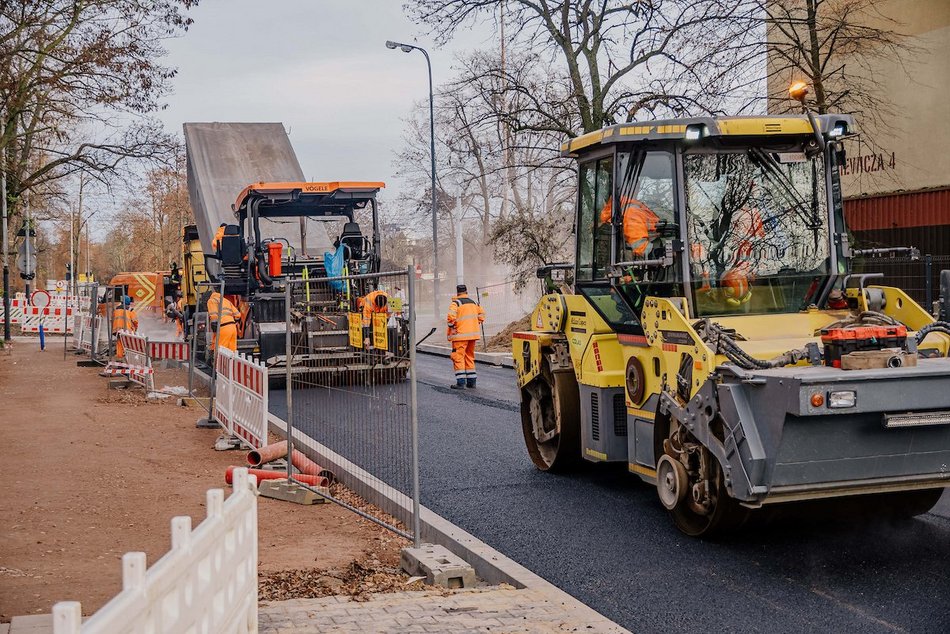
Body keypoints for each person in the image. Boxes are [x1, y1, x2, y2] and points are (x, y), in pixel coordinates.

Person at [446, 284, 485, 389]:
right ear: (466, 291)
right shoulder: (474, 303)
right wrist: (473, 324)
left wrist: (453, 327)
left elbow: (450, 318)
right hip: (472, 335)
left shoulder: (456, 303)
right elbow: (482, 316)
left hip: (460, 336)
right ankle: (471, 382)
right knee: (469, 357)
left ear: (457, 292)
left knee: (458, 357)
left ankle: (461, 382)